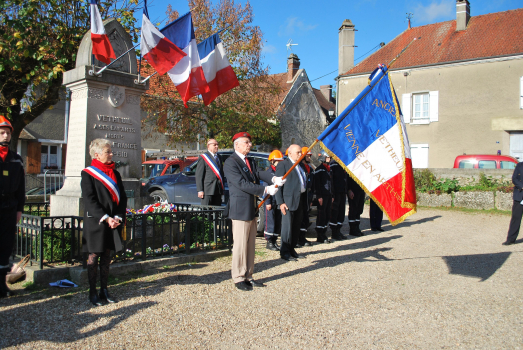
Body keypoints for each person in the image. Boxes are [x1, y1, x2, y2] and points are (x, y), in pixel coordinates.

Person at [223, 132, 284, 291]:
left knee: (250, 245)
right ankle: (238, 277)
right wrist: (265, 189)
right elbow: (241, 183)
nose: (249, 145)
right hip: (240, 209)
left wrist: (273, 179)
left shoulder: (249, 160)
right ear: (237, 145)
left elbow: (258, 173)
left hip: (251, 207)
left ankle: (248, 275)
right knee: (240, 245)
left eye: (250, 142)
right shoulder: (231, 162)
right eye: (246, 142)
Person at [81, 139, 127, 306]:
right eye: (108, 152)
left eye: (110, 151)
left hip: (113, 221)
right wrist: (106, 217)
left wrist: (118, 217)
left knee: (107, 257)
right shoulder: (87, 174)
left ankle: (104, 290)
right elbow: (90, 200)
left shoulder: (115, 173)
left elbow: (122, 197)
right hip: (97, 221)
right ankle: (92, 292)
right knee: (93, 257)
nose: (111, 154)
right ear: (97, 155)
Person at [0, 116, 25, 298]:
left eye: (8, 133)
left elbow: (21, 187)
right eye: (2, 132)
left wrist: (19, 209)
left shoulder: (16, 159)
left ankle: (2, 285)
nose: (5, 136)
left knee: (5, 247)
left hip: (9, 207)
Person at [276, 144, 308, 261]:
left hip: (299, 200)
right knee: (287, 227)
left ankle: (292, 249)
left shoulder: (300, 166)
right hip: (288, 201)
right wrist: (280, 202)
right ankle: (284, 251)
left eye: (301, 152)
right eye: (298, 152)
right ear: (290, 153)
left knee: (296, 226)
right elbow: (278, 186)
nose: (301, 154)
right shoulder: (283, 165)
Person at [263, 150, 284, 251]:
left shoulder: (279, 172)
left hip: (278, 201)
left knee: (277, 221)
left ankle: (274, 240)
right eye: (277, 161)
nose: (279, 163)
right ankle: (269, 241)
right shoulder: (269, 173)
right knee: (270, 221)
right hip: (270, 201)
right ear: (272, 161)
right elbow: (266, 188)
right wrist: (267, 202)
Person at [196, 138, 223, 206]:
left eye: (217, 145)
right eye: (214, 145)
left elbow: (221, 173)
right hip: (207, 190)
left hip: (218, 189)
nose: (216, 146)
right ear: (208, 146)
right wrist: (200, 190)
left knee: (216, 211)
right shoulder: (203, 157)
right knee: (206, 211)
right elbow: (199, 175)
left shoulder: (219, 157)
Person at [313, 150, 332, 244]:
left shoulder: (329, 168)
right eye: (328, 157)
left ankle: (324, 232)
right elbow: (318, 184)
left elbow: (331, 183)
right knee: (321, 215)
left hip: (329, 195)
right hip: (322, 196)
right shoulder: (319, 169)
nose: (330, 159)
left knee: (327, 214)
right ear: (323, 158)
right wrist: (319, 196)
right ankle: (320, 235)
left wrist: (332, 195)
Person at [297, 146, 314, 247]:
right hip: (301, 196)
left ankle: (302, 237)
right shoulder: (299, 167)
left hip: (308, 196)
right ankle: (299, 238)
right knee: (300, 218)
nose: (310, 158)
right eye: (308, 156)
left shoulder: (310, 168)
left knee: (306, 218)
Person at [504, 161, 523, 245]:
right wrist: (522, 187)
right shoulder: (519, 165)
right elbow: (514, 178)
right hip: (519, 196)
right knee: (516, 218)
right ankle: (511, 239)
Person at [329, 159, 348, 240]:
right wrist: (332, 194)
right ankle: (334, 232)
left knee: (341, 212)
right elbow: (331, 181)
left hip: (342, 192)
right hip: (336, 192)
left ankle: (338, 230)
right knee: (335, 212)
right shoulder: (333, 165)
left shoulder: (343, 164)